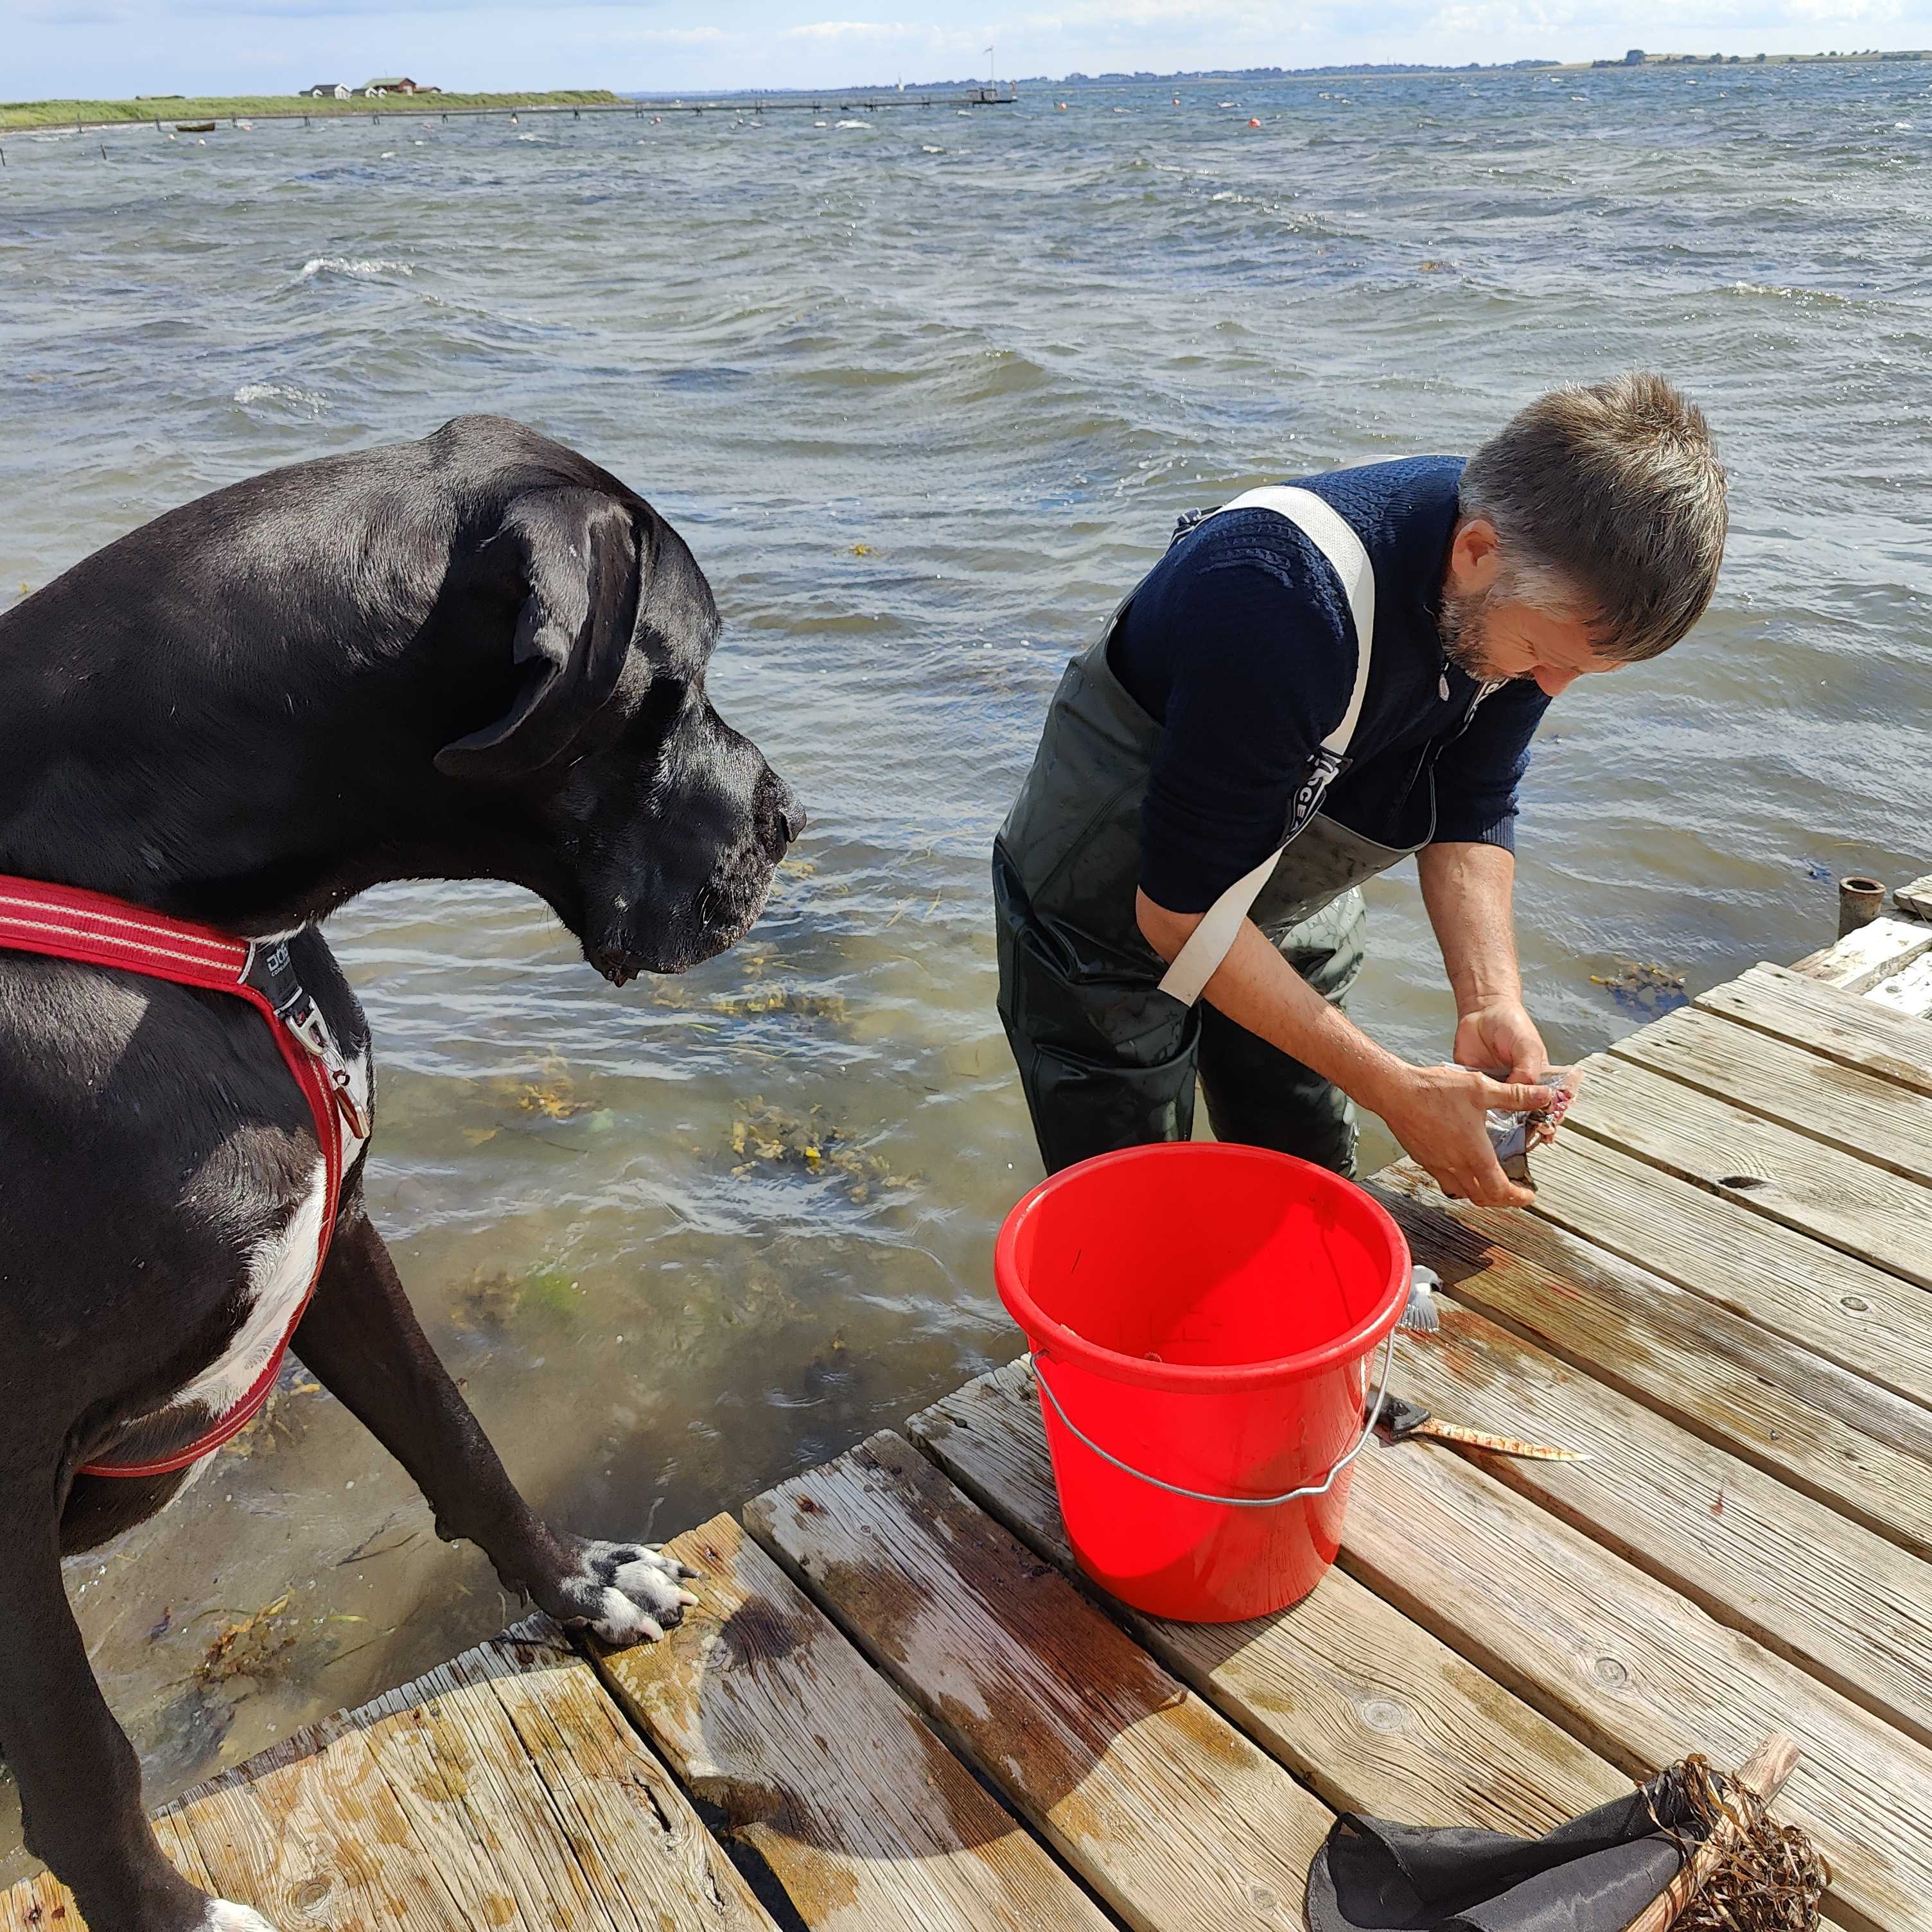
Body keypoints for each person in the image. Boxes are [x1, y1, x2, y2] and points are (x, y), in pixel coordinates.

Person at [992, 372, 1727, 1209]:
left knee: (1309, 1179)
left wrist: (1492, 998)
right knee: (1137, 1209)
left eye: (1586, 672)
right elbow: (1180, 917)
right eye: (1546, 655)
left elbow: (1474, 800)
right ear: (1477, 551)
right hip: (1108, 914)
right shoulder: (1279, 601)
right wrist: (1394, 1089)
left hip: (1283, 890)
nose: (1552, 686)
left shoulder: (1537, 588)